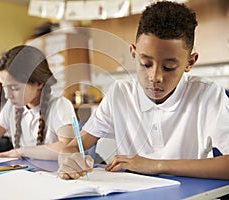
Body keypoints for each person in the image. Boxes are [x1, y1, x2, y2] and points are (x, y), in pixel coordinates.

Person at [58, 1, 229, 180]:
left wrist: (155, 165)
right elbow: (72, 146)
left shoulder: (208, 95)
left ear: (189, 63)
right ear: (133, 53)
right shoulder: (120, 93)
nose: (155, 77)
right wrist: (68, 159)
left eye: (169, 67)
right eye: (145, 63)